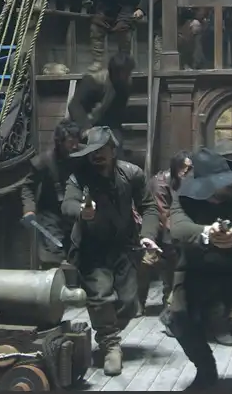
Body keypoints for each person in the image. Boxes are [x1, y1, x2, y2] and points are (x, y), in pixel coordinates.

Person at [168, 147, 232, 390]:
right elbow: (178, 228)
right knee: (178, 317)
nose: (224, 188)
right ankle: (205, 370)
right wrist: (206, 233)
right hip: (196, 271)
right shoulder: (183, 197)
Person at [61, 126, 161, 376]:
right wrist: (81, 211)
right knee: (101, 296)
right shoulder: (79, 177)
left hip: (124, 246)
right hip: (91, 248)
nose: (97, 155)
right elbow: (68, 203)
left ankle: (109, 331)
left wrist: (148, 235)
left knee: (129, 303)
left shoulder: (132, 174)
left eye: (102, 149)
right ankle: (111, 345)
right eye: (92, 151)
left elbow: (148, 206)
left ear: (113, 150)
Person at [137, 150, 193, 318]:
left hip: (175, 226)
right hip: (152, 227)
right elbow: (162, 214)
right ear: (176, 168)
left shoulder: (189, 181)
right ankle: (138, 302)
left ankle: (170, 300)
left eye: (190, 168)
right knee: (148, 262)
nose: (188, 172)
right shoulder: (160, 184)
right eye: (185, 168)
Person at [20, 119, 82, 267]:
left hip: (75, 213)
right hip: (51, 215)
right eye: (70, 143)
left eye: (76, 142)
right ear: (59, 142)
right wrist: (29, 209)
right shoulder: (45, 161)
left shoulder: (82, 157)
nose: (74, 146)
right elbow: (28, 187)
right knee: (53, 256)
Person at [68, 52, 135, 153]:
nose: (128, 76)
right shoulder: (93, 81)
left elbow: (117, 111)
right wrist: (85, 127)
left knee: (116, 143)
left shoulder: (125, 85)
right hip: (84, 123)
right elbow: (74, 105)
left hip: (105, 124)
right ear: (116, 72)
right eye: (125, 73)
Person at [152, 0, 209, 70]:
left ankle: (192, 65)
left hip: (187, 23)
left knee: (193, 37)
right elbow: (152, 8)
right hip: (165, 26)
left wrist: (198, 19)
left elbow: (204, 2)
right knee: (160, 61)